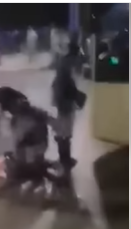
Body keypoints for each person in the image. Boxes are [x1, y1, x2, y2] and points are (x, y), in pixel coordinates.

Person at [0, 85, 55, 185]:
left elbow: (21, 138)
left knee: (21, 167)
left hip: (33, 147)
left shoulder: (23, 115)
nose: (7, 110)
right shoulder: (24, 113)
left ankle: (38, 172)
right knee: (18, 160)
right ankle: (38, 169)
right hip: (36, 146)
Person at [51, 39, 86, 170]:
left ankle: (65, 158)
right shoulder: (66, 65)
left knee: (64, 132)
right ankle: (64, 159)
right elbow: (64, 87)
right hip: (64, 104)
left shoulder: (65, 63)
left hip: (64, 102)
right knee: (64, 132)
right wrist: (75, 97)